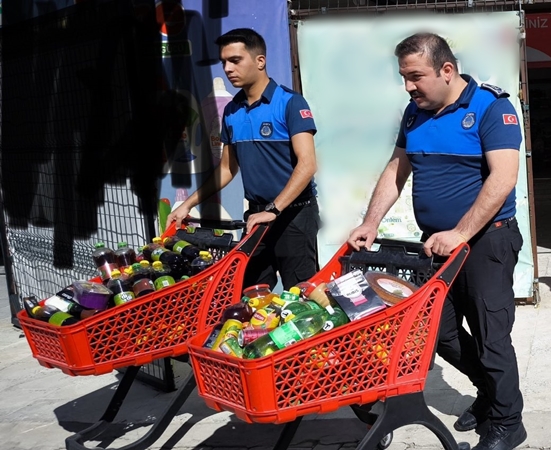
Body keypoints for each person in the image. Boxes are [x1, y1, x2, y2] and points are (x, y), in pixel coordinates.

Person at [347, 33, 526, 450]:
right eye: (403, 77)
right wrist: (370, 222)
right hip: (436, 248)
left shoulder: (491, 108)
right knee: (440, 333)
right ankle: (491, 395)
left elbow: (503, 179)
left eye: (415, 76)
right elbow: (397, 168)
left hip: (486, 244)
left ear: (447, 70)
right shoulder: (415, 113)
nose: (408, 87)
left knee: (490, 337)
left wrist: (461, 232)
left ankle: (507, 422)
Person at [166, 28, 320, 290]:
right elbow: (227, 168)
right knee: (251, 295)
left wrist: (275, 209)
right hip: (256, 217)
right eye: (224, 61)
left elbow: (308, 165)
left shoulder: (290, 103)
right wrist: (188, 204)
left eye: (235, 60)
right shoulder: (231, 111)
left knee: (302, 297)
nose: (227, 68)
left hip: (294, 215)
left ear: (260, 61)